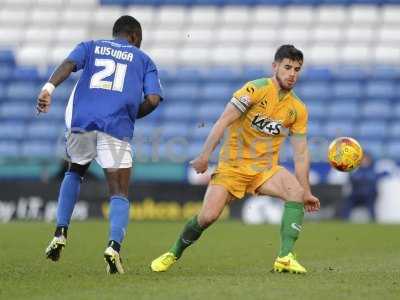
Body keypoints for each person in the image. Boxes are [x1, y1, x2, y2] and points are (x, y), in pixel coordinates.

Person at [151, 45, 320, 274]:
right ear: (275, 67)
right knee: (207, 217)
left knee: (296, 193)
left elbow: (301, 153)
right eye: (287, 67)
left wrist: (307, 190)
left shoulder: (298, 108)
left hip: (264, 170)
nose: (292, 74)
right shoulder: (254, 89)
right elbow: (222, 121)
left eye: (297, 69)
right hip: (232, 167)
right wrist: (204, 157)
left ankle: (285, 257)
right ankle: (173, 252)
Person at [38, 15, 163, 274]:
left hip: (82, 122)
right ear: (135, 37)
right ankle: (113, 248)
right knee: (119, 190)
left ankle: (60, 232)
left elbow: (69, 63)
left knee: (75, 170)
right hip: (115, 127)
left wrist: (48, 89)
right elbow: (152, 99)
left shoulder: (91, 46)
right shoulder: (144, 59)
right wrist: (129, 114)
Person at [341, 153, 379, 221]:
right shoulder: (356, 170)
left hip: (369, 195)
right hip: (356, 195)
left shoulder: (373, 170)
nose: (364, 161)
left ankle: (373, 220)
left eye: (366, 160)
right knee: (347, 202)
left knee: (371, 203)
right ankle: (344, 220)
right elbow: (352, 179)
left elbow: (373, 180)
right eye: (363, 160)